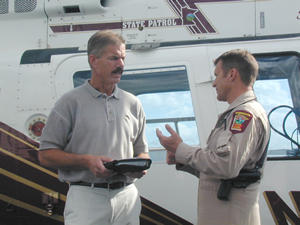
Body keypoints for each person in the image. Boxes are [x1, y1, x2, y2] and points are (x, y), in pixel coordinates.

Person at [39, 30, 150, 225]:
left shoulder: (133, 103)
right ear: (93, 60)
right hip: (86, 197)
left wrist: (139, 166)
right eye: (114, 58)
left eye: (123, 58)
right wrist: (87, 161)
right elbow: (46, 155)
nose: (121, 65)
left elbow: (142, 152)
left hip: (127, 197)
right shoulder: (69, 103)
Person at [156, 49, 270, 225]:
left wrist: (181, 148)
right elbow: (221, 170)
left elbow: (226, 167)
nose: (213, 83)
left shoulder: (244, 115)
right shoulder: (239, 113)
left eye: (217, 75)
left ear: (232, 75)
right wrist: (182, 158)